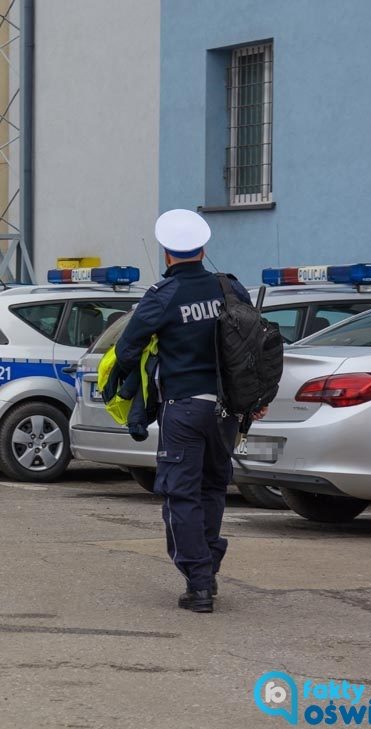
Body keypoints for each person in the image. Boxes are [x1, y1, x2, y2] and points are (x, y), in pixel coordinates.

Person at [112, 209, 266, 613]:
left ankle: (199, 584)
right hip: (227, 411)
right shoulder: (231, 289)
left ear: (166, 254)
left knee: (180, 496)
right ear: (203, 248)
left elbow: (127, 349)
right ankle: (207, 567)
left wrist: (132, 380)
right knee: (213, 490)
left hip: (183, 409)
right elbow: (254, 345)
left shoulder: (163, 296)